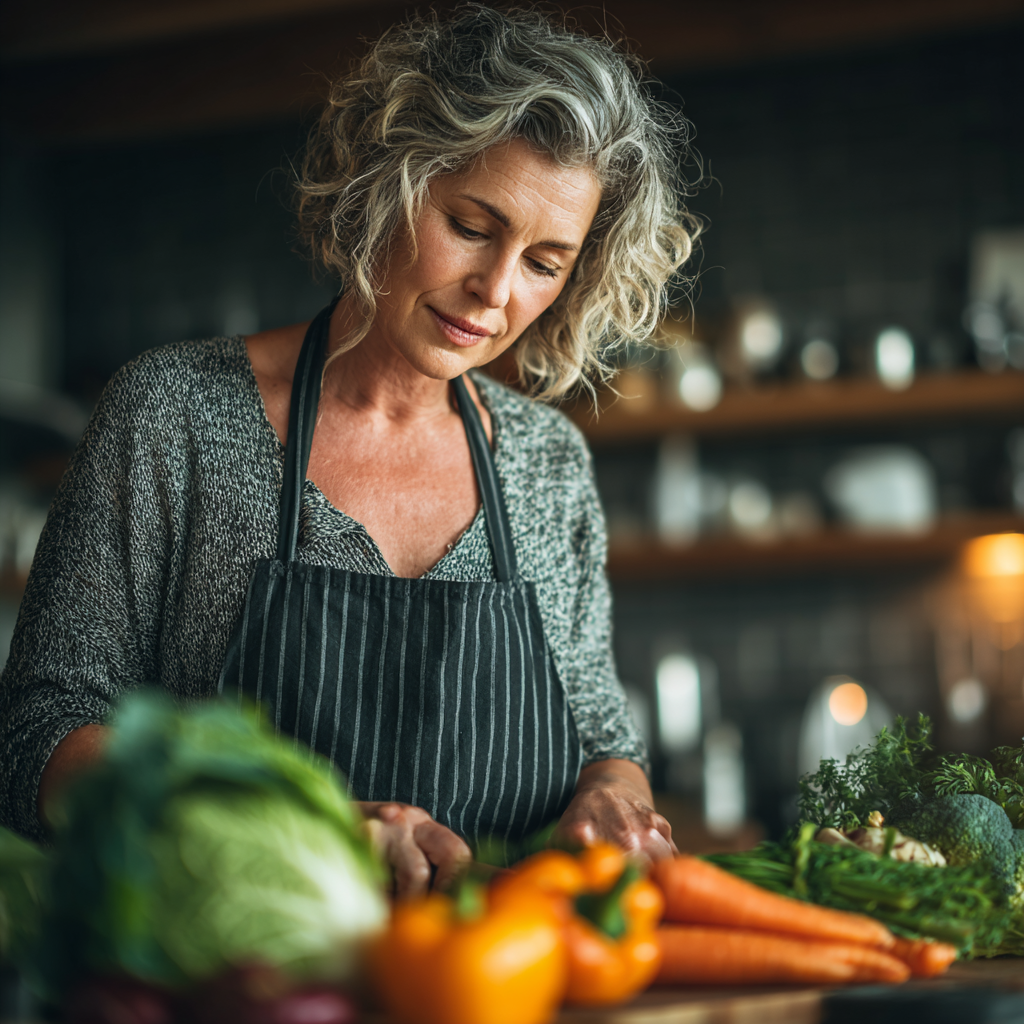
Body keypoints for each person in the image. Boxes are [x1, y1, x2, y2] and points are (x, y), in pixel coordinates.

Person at [0, 6, 697, 895]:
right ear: (386, 184)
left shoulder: (547, 461)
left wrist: (611, 799)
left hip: (495, 977)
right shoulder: (173, 414)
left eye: (545, 262)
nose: (495, 290)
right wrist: (296, 829)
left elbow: (603, 739)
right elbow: (38, 736)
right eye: (473, 226)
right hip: (237, 982)